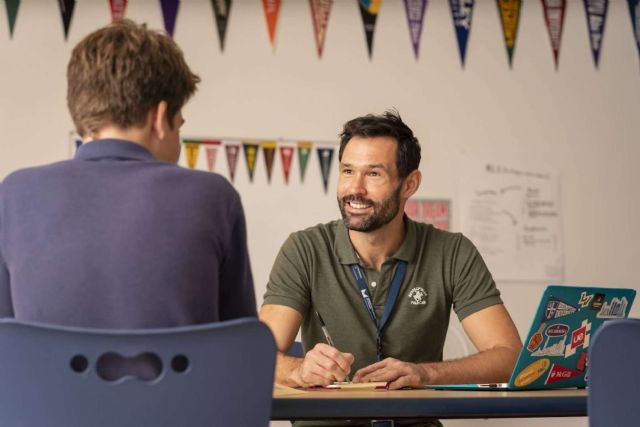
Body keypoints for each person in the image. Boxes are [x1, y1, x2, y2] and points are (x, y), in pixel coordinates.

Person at [260, 110, 521, 425]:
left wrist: (425, 373)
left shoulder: (452, 251)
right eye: (347, 171)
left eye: (373, 174)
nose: (354, 189)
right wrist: (298, 370)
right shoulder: (304, 248)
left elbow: (508, 355)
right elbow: (255, 358)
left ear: (409, 183)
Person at [0, 19, 256, 327]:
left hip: (41, 378)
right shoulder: (214, 197)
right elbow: (240, 347)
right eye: (179, 125)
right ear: (160, 118)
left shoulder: (14, 194)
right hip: (183, 378)